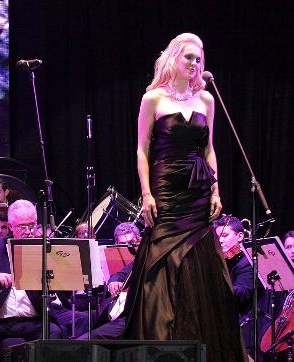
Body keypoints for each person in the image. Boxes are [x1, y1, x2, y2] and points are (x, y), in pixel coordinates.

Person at [123, 32, 246, 361]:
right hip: (166, 187)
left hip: (198, 190)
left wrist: (216, 188)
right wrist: (147, 193)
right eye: (188, 57)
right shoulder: (153, 99)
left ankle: (202, 343)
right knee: (162, 260)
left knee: (200, 263)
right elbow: (141, 149)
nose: (194, 64)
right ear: (174, 58)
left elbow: (209, 149)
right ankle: (159, 343)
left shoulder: (206, 100)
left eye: (198, 59)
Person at [0, 199, 77, 356]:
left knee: (54, 332)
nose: (29, 231)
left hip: (32, 321)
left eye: (32, 225)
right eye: (23, 226)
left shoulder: (43, 247)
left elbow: (64, 281)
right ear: (11, 227)